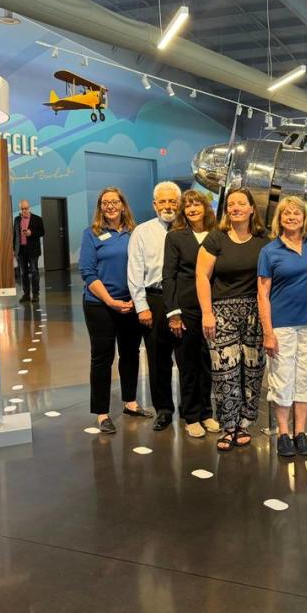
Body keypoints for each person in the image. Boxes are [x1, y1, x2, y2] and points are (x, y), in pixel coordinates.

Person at [196, 187, 268, 452]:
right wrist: (207, 313)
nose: (236, 207)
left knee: (252, 369)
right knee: (224, 372)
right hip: (221, 313)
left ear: (251, 209)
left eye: (241, 203)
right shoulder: (216, 238)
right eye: (231, 204)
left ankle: (245, 423)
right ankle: (228, 426)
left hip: (255, 314)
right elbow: (202, 277)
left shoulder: (264, 240)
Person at [257, 196, 307, 458]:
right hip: (282, 325)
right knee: (282, 378)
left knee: (306, 377)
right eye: (286, 213)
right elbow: (262, 294)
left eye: (297, 213)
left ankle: (301, 432)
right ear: (279, 218)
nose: (292, 217)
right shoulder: (270, 251)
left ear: (304, 217)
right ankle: (283, 433)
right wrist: (267, 331)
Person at [79, 188, 151, 434]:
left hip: (131, 305)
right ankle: (101, 413)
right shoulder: (91, 234)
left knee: (130, 354)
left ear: (123, 205)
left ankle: (130, 402)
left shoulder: (135, 233)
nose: (110, 206)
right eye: (105, 202)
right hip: (100, 305)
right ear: (100, 207)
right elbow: (88, 273)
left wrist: (137, 301)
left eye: (114, 202)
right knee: (102, 358)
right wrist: (110, 301)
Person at [163, 190, 222, 439]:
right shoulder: (175, 237)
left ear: (205, 207)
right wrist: (173, 313)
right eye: (187, 206)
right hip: (186, 308)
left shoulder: (218, 234)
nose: (192, 209)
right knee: (188, 364)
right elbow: (169, 276)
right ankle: (191, 415)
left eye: (197, 204)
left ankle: (207, 413)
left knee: (207, 363)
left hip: (213, 306)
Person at [128, 181, 182, 431]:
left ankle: (190, 407)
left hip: (185, 298)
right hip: (155, 300)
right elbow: (135, 272)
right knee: (159, 358)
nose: (168, 206)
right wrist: (142, 307)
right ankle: (163, 408)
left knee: (188, 356)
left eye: (173, 201)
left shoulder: (189, 229)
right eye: (163, 201)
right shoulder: (142, 232)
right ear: (154, 204)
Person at [13, 200, 45, 302]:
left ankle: (35, 294)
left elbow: (42, 232)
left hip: (33, 250)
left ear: (29, 208)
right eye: (22, 209)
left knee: (34, 271)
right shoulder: (17, 219)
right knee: (23, 273)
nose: (24, 210)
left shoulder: (37, 219)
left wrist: (31, 233)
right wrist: (13, 249)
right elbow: (15, 235)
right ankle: (26, 294)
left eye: (26, 208)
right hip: (21, 250)